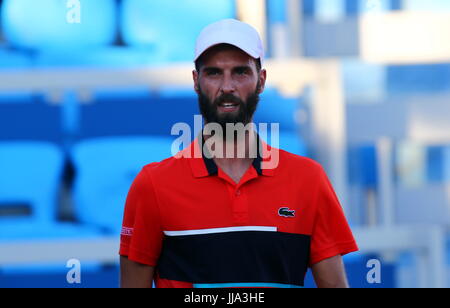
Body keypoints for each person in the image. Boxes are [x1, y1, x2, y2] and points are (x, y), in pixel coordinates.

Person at [119, 19, 358, 288]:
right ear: (196, 81)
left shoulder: (308, 180)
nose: (227, 86)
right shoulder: (153, 185)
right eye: (214, 73)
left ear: (261, 80)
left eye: (240, 72)